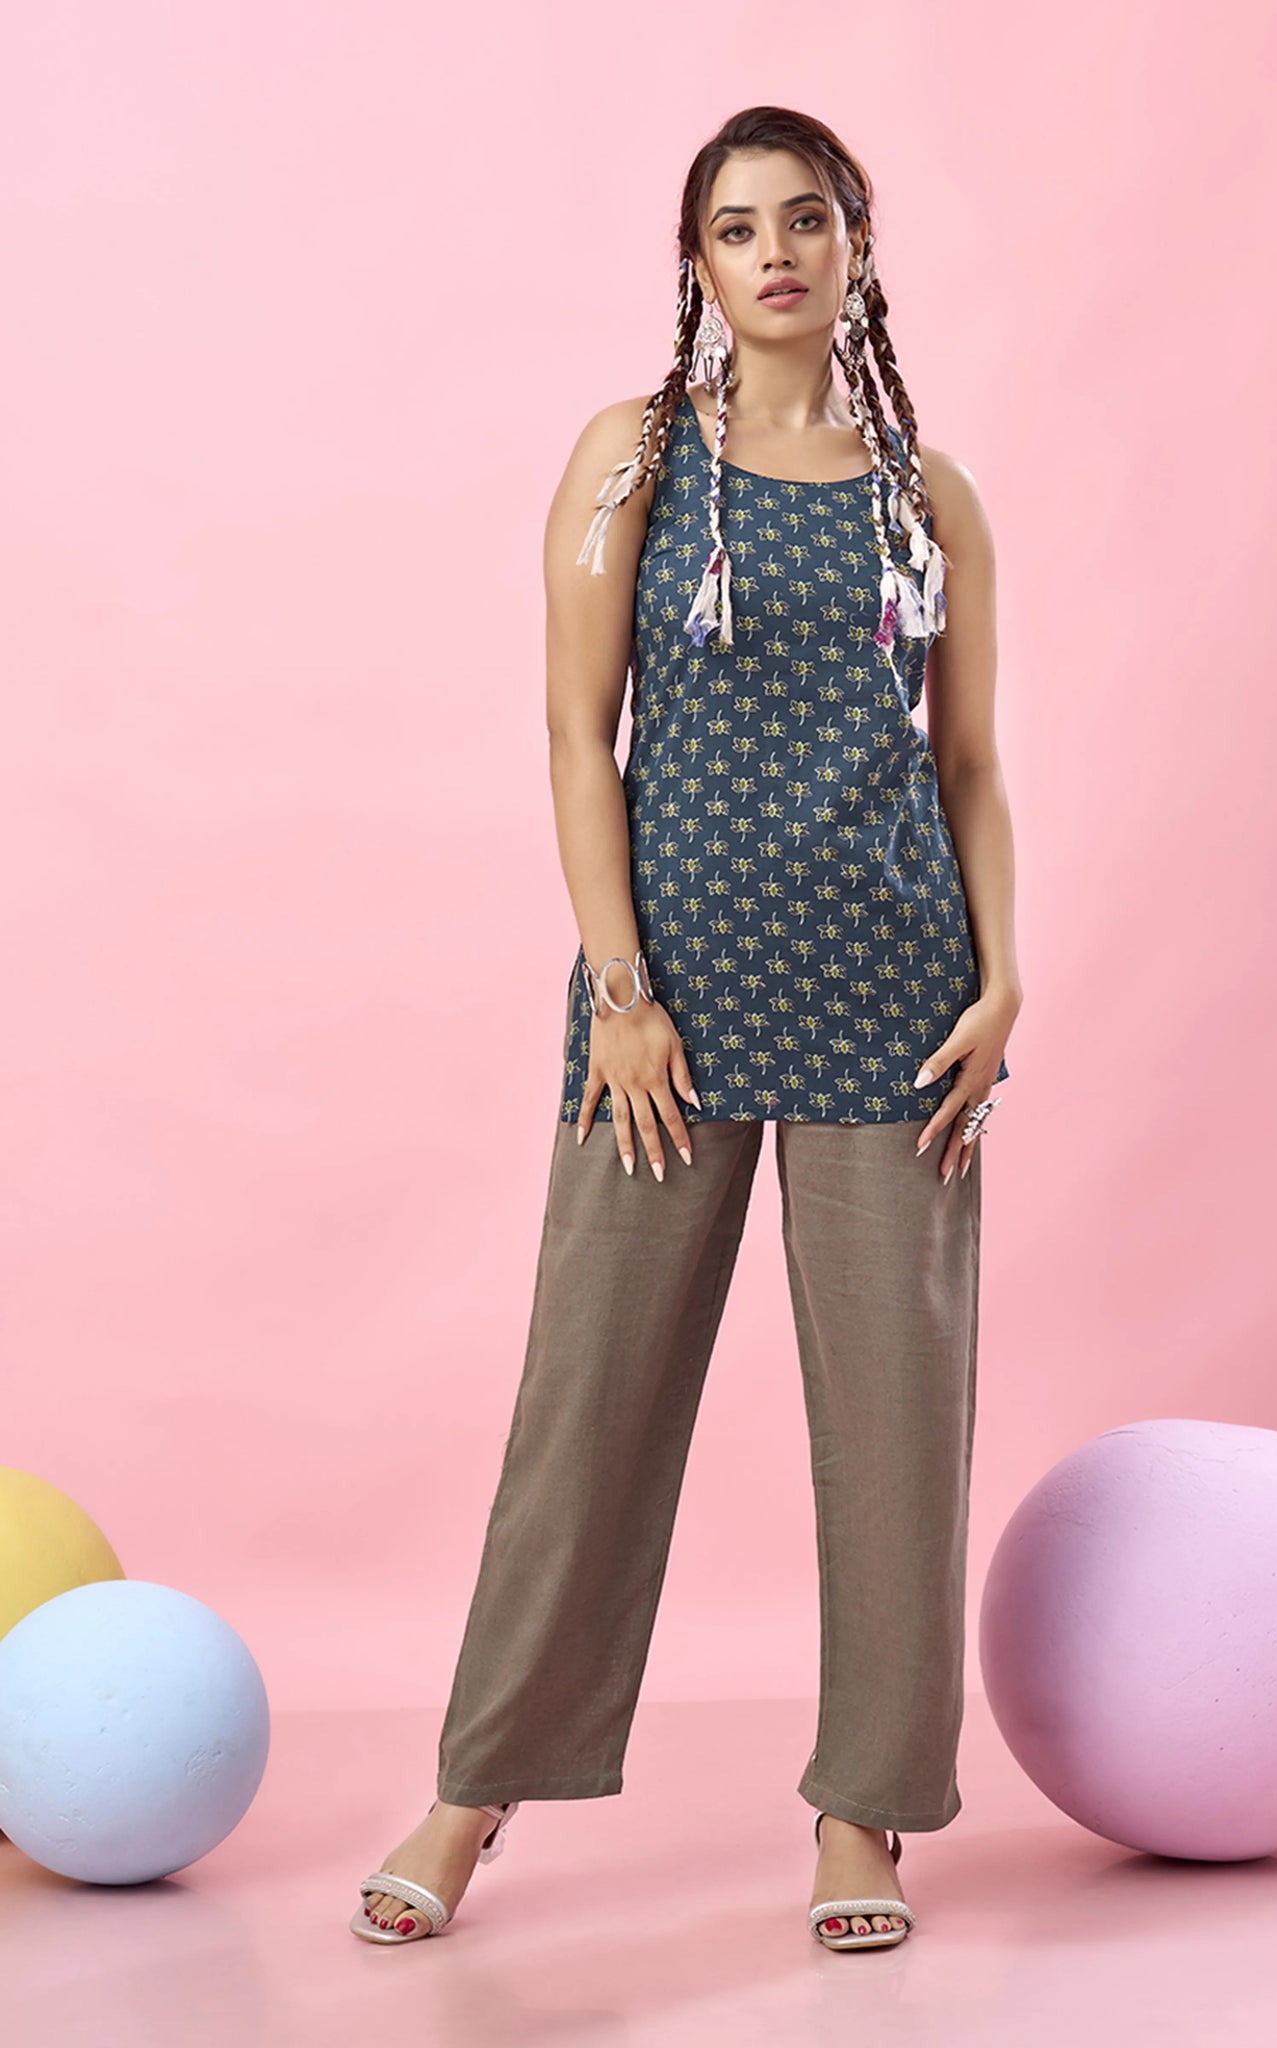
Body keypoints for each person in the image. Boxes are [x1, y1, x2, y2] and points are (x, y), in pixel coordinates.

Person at [350, 104, 1020, 1953]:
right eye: (737, 228)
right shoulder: (634, 457)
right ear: (698, 263)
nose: (775, 252)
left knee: (899, 1426)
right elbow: (580, 737)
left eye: (806, 219)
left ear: (858, 243)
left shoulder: (930, 495)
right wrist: (623, 995)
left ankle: (866, 1817)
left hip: (896, 1004)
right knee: (589, 1398)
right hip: (671, 1011)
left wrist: (1003, 976)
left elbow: (969, 762)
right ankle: (474, 1790)